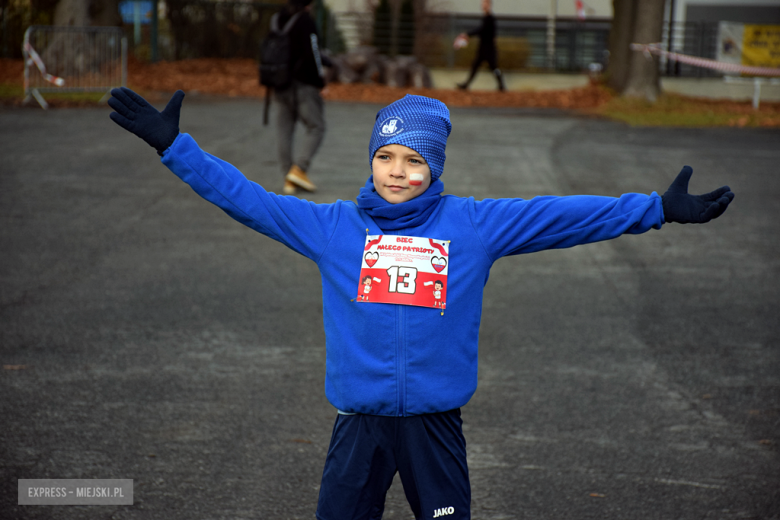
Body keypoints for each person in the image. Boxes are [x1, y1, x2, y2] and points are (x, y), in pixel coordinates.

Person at [107, 87, 734, 520]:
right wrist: (175, 147)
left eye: (413, 160)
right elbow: (249, 200)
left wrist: (655, 208)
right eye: (385, 157)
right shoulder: (334, 228)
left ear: (434, 166)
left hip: (435, 427)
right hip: (359, 424)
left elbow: (561, 216)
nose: (397, 171)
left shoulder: (474, 226)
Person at [271, 0, 327, 195]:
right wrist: (320, 81)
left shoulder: (277, 19)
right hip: (303, 85)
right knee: (316, 127)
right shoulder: (305, 21)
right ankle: (299, 169)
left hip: (279, 84)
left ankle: (288, 177)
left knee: (284, 131)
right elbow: (313, 53)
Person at [455, 0, 505, 92]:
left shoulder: (490, 19)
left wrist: (468, 34)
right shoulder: (486, 18)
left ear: (489, 5)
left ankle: (501, 85)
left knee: (494, 68)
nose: (483, 5)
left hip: (489, 49)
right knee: (475, 66)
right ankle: (466, 84)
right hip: (483, 49)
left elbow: (482, 30)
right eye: (482, 4)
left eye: (485, 4)